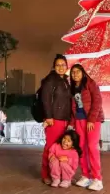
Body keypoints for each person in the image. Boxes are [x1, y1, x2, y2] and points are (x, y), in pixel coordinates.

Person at [69, 63, 104, 191]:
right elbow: (73, 109)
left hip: (92, 120)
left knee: (92, 147)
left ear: (83, 72)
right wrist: (71, 124)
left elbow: (97, 101)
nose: (75, 74)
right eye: (73, 72)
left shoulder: (91, 84)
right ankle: (86, 175)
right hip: (79, 120)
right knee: (81, 147)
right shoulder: (72, 88)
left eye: (78, 71)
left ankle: (97, 179)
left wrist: (91, 119)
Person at [41, 54, 71, 185]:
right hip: (54, 119)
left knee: (59, 148)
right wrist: (48, 116)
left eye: (63, 65)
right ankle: (45, 173)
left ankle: (56, 173)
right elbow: (45, 98)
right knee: (50, 147)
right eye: (58, 65)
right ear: (54, 67)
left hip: (63, 119)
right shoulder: (50, 80)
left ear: (66, 66)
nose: (60, 67)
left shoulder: (65, 80)